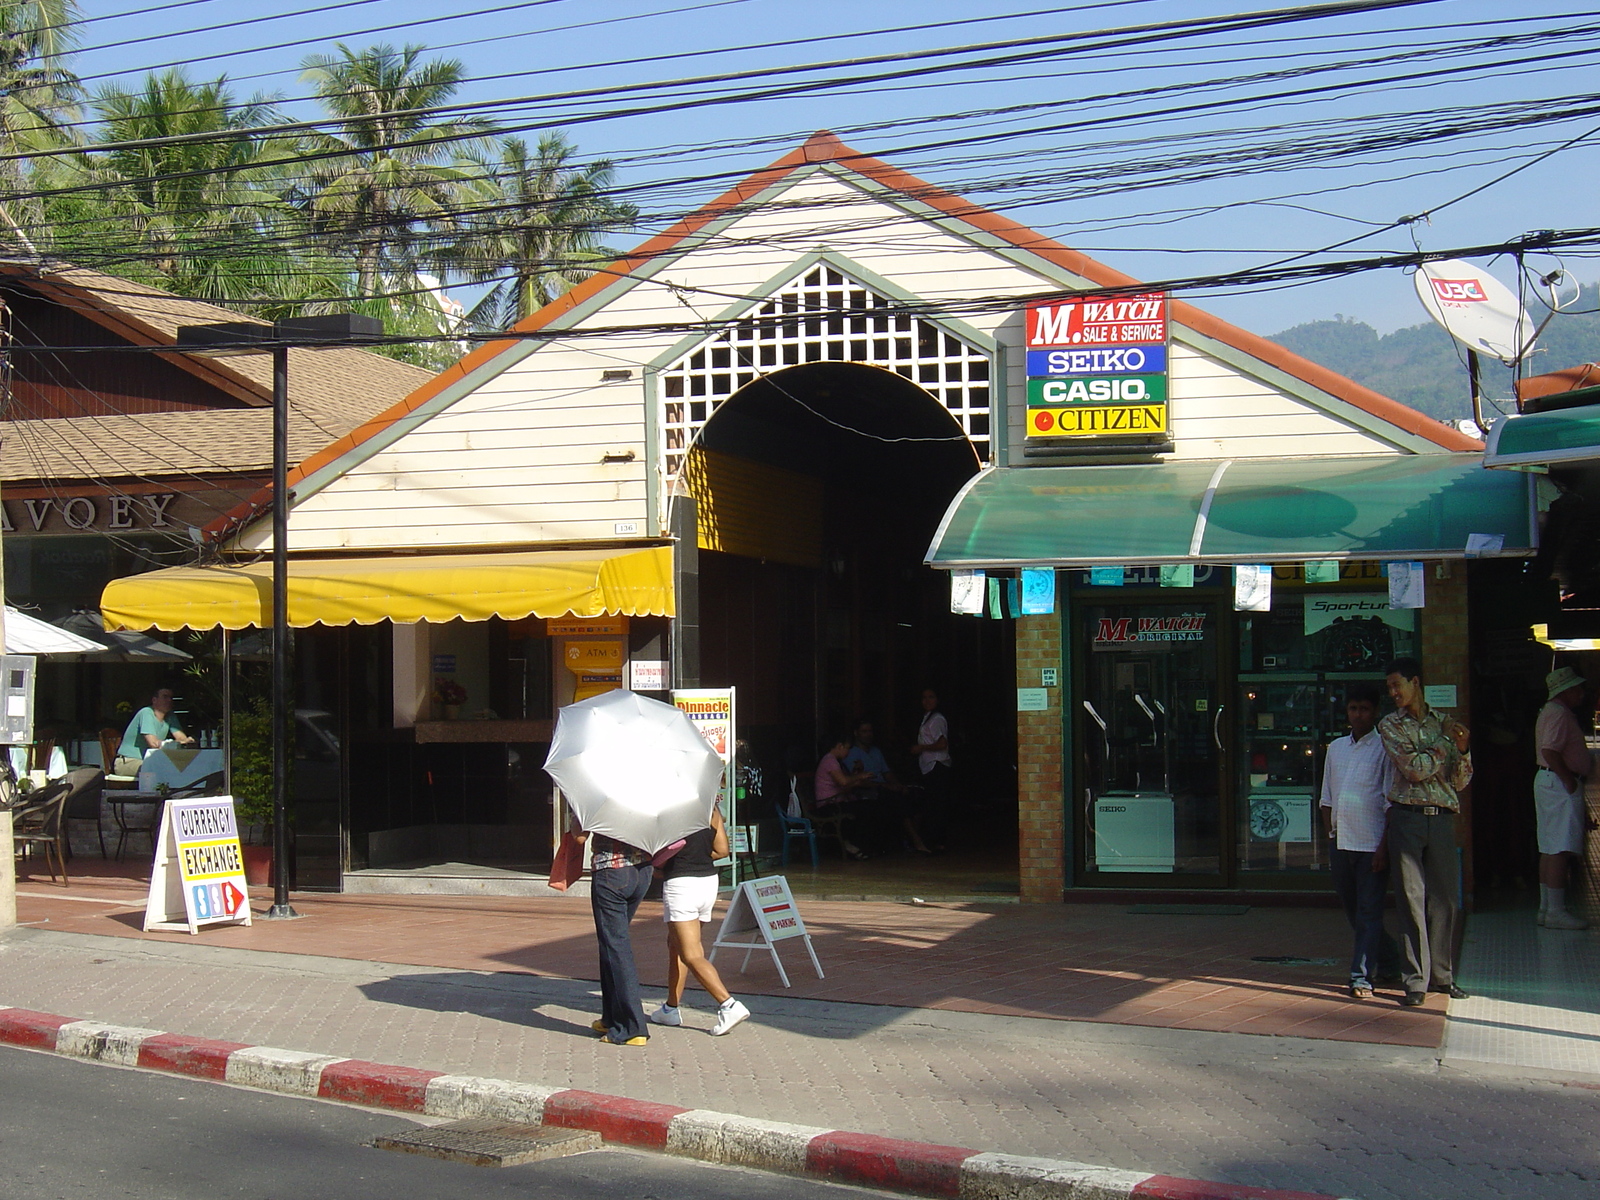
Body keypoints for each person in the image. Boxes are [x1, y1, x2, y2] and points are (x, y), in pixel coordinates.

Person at [1379, 657, 1472, 1008]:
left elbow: (1460, 780)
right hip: (1407, 818)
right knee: (1411, 899)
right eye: (1389, 687)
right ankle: (1416, 980)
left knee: (1446, 899)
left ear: (1415, 682)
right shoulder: (1390, 725)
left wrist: (1461, 750)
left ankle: (1443, 977)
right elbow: (1415, 769)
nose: (1393, 693)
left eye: (1396, 685)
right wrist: (1444, 745)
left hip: (1442, 817)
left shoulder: (1442, 723)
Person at [1319, 683, 1397, 999]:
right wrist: (1330, 835)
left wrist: (1383, 848)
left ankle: (1360, 976)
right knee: (1353, 910)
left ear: (1376, 712)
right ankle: (1391, 960)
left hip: (1371, 845)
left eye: (1364, 709)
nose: (1358, 715)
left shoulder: (1385, 749)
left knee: (1369, 911)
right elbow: (1327, 797)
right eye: (1353, 709)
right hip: (1342, 842)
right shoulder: (1336, 748)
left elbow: (1390, 802)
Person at [650, 806, 751, 1036]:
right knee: (676, 945)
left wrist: (668, 864)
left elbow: (658, 854)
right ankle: (670, 1008)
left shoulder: (667, 808)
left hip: (681, 884)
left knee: (692, 954)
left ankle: (729, 1005)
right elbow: (722, 849)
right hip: (707, 881)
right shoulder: (709, 807)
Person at [573, 824, 654, 1045]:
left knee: (616, 946)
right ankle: (611, 1017)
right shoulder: (647, 789)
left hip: (611, 871)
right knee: (610, 943)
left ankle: (632, 1026)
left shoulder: (595, 790)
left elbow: (579, 836)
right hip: (643, 870)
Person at [1533, 666, 1594, 930]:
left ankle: (1547, 908)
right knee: (1558, 847)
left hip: (1550, 781)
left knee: (1549, 846)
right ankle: (1555, 911)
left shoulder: (1551, 712)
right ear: (1566, 690)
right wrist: (1568, 780)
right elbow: (1550, 749)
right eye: (1577, 689)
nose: (1581, 693)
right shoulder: (1559, 713)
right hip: (1559, 782)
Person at [844, 718, 927, 855]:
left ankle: (909, 839)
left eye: (870, 731)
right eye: (864, 731)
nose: (868, 734)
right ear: (856, 733)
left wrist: (898, 785)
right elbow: (854, 780)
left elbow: (887, 773)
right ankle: (915, 840)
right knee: (896, 801)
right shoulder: (851, 753)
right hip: (868, 791)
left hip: (885, 789)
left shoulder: (876, 751)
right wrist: (887, 786)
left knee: (915, 796)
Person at [814, 733, 871, 860]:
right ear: (839, 746)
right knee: (865, 809)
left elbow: (846, 784)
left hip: (836, 803)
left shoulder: (834, 761)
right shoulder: (830, 760)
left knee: (867, 806)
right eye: (847, 748)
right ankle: (855, 845)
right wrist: (860, 776)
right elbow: (844, 782)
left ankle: (856, 845)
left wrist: (856, 773)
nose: (848, 752)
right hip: (829, 806)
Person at [115, 686, 194, 777]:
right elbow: (153, 743)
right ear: (154, 700)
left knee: (182, 767)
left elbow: (182, 739)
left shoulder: (170, 716)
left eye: (171, 697)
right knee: (160, 770)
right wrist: (174, 743)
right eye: (165, 697)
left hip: (149, 761)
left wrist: (183, 741)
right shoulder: (146, 713)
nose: (169, 700)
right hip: (128, 761)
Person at [909, 688, 951, 851]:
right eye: (924, 697)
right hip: (928, 766)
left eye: (931, 697)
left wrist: (921, 748)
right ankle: (934, 840)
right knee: (932, 804)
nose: (927, 701)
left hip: (937, 765)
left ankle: (937, 842)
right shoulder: (927, 718)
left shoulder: (937, 719)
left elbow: (942, 743)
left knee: (936, 805)